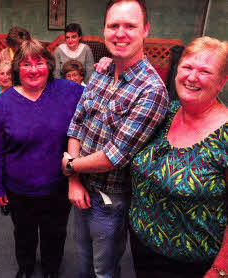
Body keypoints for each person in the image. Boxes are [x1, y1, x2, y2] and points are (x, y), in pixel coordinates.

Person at [61, 0, 169, 277]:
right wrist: (73, 179)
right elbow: (77, 124)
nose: (120, 33)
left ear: (145, 30)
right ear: (104, 30)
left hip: (110, 199)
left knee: (104, 271)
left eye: (130, 26)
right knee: (83, 259)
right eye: (113, 26)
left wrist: (70, 166)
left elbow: (114, 156)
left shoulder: (151, 89)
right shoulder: (101, 71)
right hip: (80, 188)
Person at [129, 36, 228, 278]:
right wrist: (110, 67)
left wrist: (221, 269)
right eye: (187, 67)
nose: (192, 77)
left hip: (191, 264)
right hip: (141, 247)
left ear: (222, 82)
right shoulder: (166, 112)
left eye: (205, 71)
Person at [0, 39, 84, 278]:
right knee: (24, 233)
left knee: (55, 233)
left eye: (39, 63)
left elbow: (101, 94)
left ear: (49, 65)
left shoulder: (68, 91)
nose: (33, 70)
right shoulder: (3, 103)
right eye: (26, 64)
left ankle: (51, 269)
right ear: (17, 69)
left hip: (57, 185)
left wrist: (107, 69)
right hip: (19, 189)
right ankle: (26, 268)